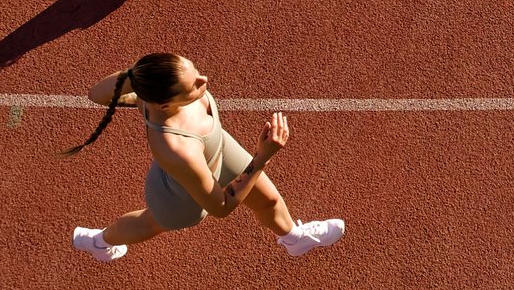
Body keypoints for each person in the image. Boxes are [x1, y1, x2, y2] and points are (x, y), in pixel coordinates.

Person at [70, 53, 345, 261]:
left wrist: (141, 75)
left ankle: (294, 239)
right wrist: (262, 157)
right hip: (179, 196)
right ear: (165, 104)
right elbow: (221, 208)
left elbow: (98, 94)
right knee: (151, 222)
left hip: (217, 148)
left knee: (269, 199)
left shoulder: (152, 93)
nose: (204, 81)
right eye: (192, 86)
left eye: (196, 73)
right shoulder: (177, 148)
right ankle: (98, 241)